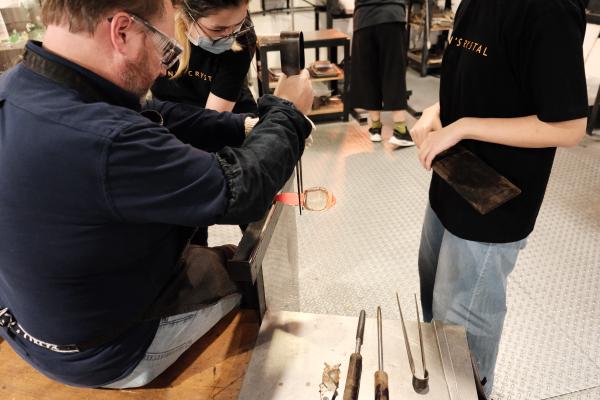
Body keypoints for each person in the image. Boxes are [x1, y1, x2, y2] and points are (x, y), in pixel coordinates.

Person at [0, 0, 313, 389]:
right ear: (122, 31)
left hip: (30, 324)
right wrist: (288, 113)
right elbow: (243, 190)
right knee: (237, 266)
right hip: (107, 353)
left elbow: (155, 111)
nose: (166, 68)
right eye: (166, 48)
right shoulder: (107, 141)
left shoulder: (20, 87)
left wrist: (244, 126)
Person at [411, 0, 588, 396]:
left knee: (461, 331)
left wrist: (464, 127)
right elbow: (488, 83)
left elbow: (569, 126)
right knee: (433, 309)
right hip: (450, 181)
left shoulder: (550, 10)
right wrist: (437, 111)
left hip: (496, 203)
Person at [151, 0, 257, 114]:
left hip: (226, 118)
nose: (230, 36)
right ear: (184, 14)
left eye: (238, 25)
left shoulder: (243, 35)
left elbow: (213, 119)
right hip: (167, 117)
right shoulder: (154, 26)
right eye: (218, 29)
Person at [350, 0, 413, 146]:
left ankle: (376, 127)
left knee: (369, 73)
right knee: (393, 71)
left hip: (364, 18)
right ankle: (400, 130)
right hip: (391, 15)